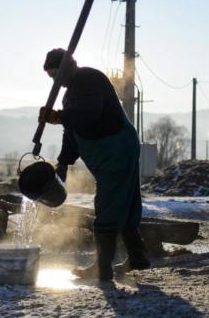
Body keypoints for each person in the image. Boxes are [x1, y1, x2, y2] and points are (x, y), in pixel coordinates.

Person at [38, 48, 150, 281]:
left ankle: (103, 267)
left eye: (54, 74)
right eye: (50, 76)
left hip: (116, 150)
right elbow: (72, 132)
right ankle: (137, 257)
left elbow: (89, 114)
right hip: (114, 151)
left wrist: (57, 117)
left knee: (108, 205)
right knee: (126, 202)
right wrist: (63, 163)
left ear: (67, 67)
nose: (54, 80)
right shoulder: (70, 95)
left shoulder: (88, 79)